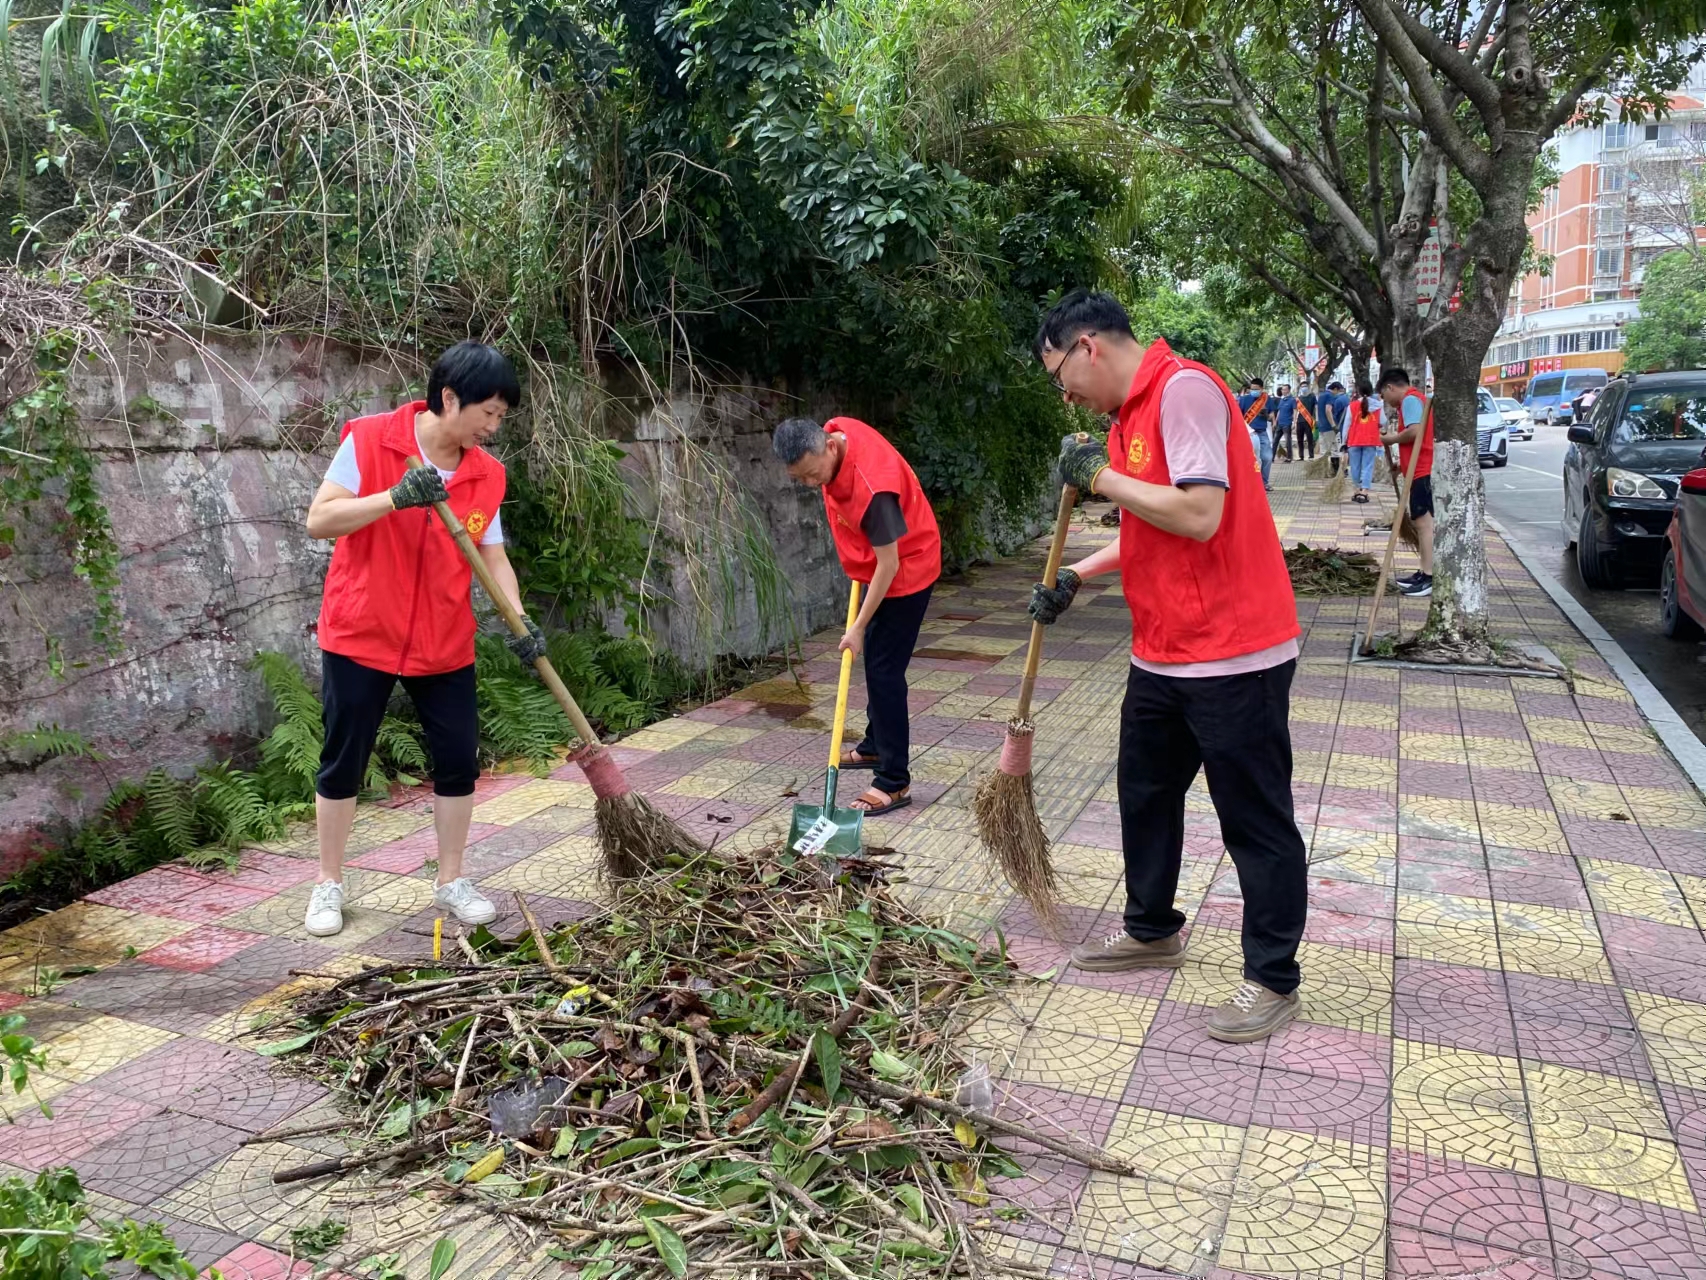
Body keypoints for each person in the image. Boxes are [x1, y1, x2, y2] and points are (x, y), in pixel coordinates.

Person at [1029, 289, 1308, 1044]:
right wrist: (1078, 575)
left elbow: (1198, 514)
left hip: (1234, 652)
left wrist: (1100, 479)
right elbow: (1153, 528)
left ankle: (1273, 980)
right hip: (1164, 651)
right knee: (1145, 795)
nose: (1068, 395)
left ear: (1087, 345)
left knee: (1254, 819)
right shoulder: (1125, 421)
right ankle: (1153, 930)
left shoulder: (1182, 390)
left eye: (1061, 376)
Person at [303, 342, 538, 937]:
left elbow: (494, 556)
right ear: (449, 398)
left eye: (501, 416)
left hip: (443, 637)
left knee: (458, 760)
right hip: (362, 631)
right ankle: (328, 883)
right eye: (488, 412)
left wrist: (519, 620)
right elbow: (320, 520)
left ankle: (451, 881)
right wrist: (393, 499)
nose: (493, 425)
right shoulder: (371, 441)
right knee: (344, 760)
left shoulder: (487, 474)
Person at [773, 416, 942, 815]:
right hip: (882, 565)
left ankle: (893, 781)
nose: (813, 485)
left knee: (884, 672)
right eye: (802, 479)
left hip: (907, 573)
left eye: (814, 475)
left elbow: (889, 565)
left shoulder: (873, 491)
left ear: (830, 447)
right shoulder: (837, 429)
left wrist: (858, 627)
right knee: (876, 665)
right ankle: (872, 746)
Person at [1377, 366, 1436, 597]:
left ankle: (1429, 576)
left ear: (1391, 387)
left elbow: (1414, 432)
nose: (1386, 401)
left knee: (1423, 524)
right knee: (1423, 523)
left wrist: (1390, 439)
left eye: (1384, 395)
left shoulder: (1411, 400)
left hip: (1422, 470)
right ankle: (1423, 571)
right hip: (1416, 468)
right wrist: (1400, 465)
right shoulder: (1414, 400)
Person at [1345, 380, 1381, 504]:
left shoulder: (1352, 405)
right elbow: (1384, 421)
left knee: (1354, 466)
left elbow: (1347, 425)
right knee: (1367, 465)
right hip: (1370, 440)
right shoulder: (1377, 405)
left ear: (1358, 391)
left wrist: (1344, 442)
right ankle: (1364, 492)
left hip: (1354, 440)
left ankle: (1356, 490)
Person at [1237, 378, 1276, 491]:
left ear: (1262, 389)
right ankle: (1249, 483)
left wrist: (1266, 415)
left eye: (1256, 389)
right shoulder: (1243, 400)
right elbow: (1239, 417)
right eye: (1252, 389)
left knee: (1267, 457)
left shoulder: (1267, 399)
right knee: (1249, 459)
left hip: (1262, 432)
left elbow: (1271, 415)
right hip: (1248, 433)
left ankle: (1264, 482)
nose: (1253, 391)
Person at [1273, 384, 1298, 463]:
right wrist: (1275, 421)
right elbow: (1279, 411)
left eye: (1285, 389)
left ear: (1288, 390)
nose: (1283, 391)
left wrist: (1294, 422)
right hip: (1280, 423)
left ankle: (1289, 457)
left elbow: (1295, 411)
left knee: (1288, 441)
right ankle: (1272, 457)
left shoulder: (1292, 400)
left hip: (1287, 423)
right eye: (1282, 390)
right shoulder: (1282, 400)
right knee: (1275, 440)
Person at [1295, 385, 1317, 461]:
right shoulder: (1299, 398)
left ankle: (1311, 455)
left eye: (1305, 386)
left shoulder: (1312, 397)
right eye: (1302, 386)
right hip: (1299, 421)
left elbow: (1316, 408)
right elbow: (1295, 410)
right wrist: (1294, 421)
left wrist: (1316, 418)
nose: (1304, 388)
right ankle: (1301, 456)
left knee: (1309, 439)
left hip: (1308, 420)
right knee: (1299, 439)